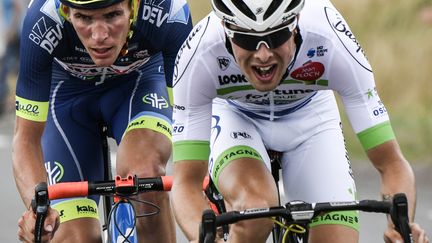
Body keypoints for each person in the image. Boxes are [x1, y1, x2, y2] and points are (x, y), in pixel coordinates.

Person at [171, 0, 429, 242]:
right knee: (255, 210)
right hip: (235, 115)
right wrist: (203, 236)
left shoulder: (330, 40)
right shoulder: (200, 53)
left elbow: (391, 163)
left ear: (294, 23)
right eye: (248, 39)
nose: (263, 55)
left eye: (276, 37)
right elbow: (186, 182)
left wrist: (399, 228)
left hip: (310, 116)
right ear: (226, 29)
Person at [14, 0, 192, 242]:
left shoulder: (168, 11)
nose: (99, 35)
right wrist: (38, 209)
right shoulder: (43, 19)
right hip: (67, 96)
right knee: (72, 236)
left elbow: (190, 119)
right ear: (66, 12)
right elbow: (25, 139)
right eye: (84, 18)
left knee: (144, 178)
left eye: (112, 15)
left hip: (140, 83)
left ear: (134, 6)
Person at [0, 0, 26, 115]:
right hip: (13, 33)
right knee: (9, 70)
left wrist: (12, 30)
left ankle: (12, 102)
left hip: (16, 34)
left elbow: (18, 9)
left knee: (12, 69)